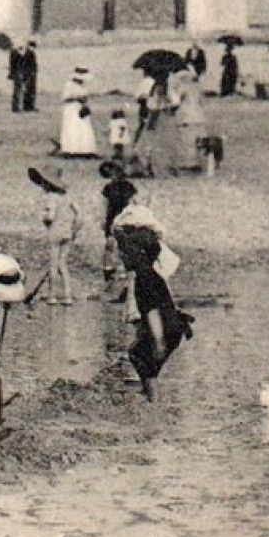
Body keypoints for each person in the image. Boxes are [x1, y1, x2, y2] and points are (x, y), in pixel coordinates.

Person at [114, 221, 195, 400]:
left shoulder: (143, 279)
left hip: (164, 328)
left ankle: (153, 397)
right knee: (143, 354)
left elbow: (151, 311)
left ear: (139, 255)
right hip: (174, 325)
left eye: (126, 253)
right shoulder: (153, 274)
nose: (122, 257)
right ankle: (149, 389)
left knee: (139, 355)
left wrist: (158, 340)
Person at [30, 165, 80, 305]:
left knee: (53, 264)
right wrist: (74, 227)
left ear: (47, 183)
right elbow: (79, 213)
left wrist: (44, 219)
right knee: (63, 264)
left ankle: (52, 295)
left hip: (55, 232)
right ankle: (67, 295)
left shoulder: (51, 198)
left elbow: (50, 216)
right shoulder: (67, 196)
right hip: (67, 232)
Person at [98, 161, 139, 292]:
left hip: (120, 219)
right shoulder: (118, 187)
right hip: (118, 219)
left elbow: (105, 205)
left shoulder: (117, 187)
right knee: (114, 245)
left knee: (115, 246)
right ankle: (116, 272)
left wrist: (103, 219)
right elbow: (105, 204)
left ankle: (114, 272)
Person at [57, 66, 99, 158]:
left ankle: (85, 149)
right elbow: (65, 98)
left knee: (84, 128)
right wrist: (77, 98)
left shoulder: (82, 85)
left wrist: (84, 101)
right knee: (73, 127)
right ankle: (72, 149)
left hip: (80, 108)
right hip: (71, 109)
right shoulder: (69, 85)